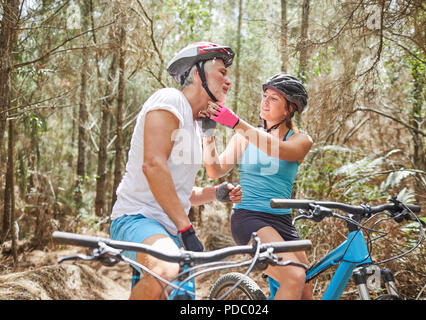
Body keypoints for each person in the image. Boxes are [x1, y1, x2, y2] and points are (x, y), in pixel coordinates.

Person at [109, 41, 242, 300]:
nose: (228, 80)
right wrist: (186, 228)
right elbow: (153, 165)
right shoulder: (169, 99)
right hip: (137, 218)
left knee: (182, 300)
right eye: (221, 72)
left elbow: (179, 192)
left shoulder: (193, 125)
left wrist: (216, 193)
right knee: (166, 269)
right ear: (197, 73)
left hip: (169, 231)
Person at [201, 73, 314, 300]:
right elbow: (214, 170)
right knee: (294, 277)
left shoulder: (301, 141)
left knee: (305, 289)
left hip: (282, 221)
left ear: (289, 109)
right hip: (249, 217)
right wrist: (208, 135)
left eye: (274, 98)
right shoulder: (244, 138)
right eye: (265, 96)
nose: (265, 101)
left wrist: (235, 122)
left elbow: (277, 150)